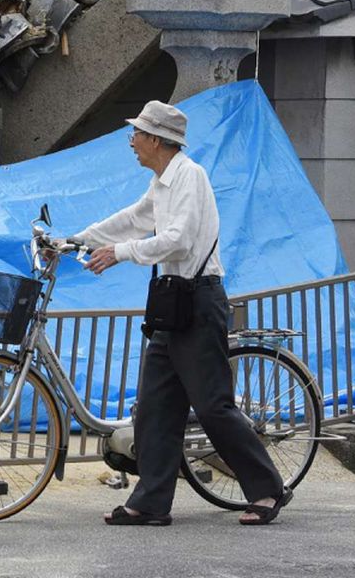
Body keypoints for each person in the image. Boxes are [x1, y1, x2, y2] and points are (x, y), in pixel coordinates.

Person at [74, 100, 289, 527]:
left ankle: (267, 490)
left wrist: (118, 253)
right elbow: (135, 218)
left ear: (156, 139)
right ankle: (151, 502)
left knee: (212, 406)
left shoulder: (190, 176)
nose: (132, 141)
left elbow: (178, 240)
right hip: (173, 303)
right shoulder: (162, 183)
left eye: (136, 133)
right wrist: (78, 237)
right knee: (156, 405)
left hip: (199, 300)